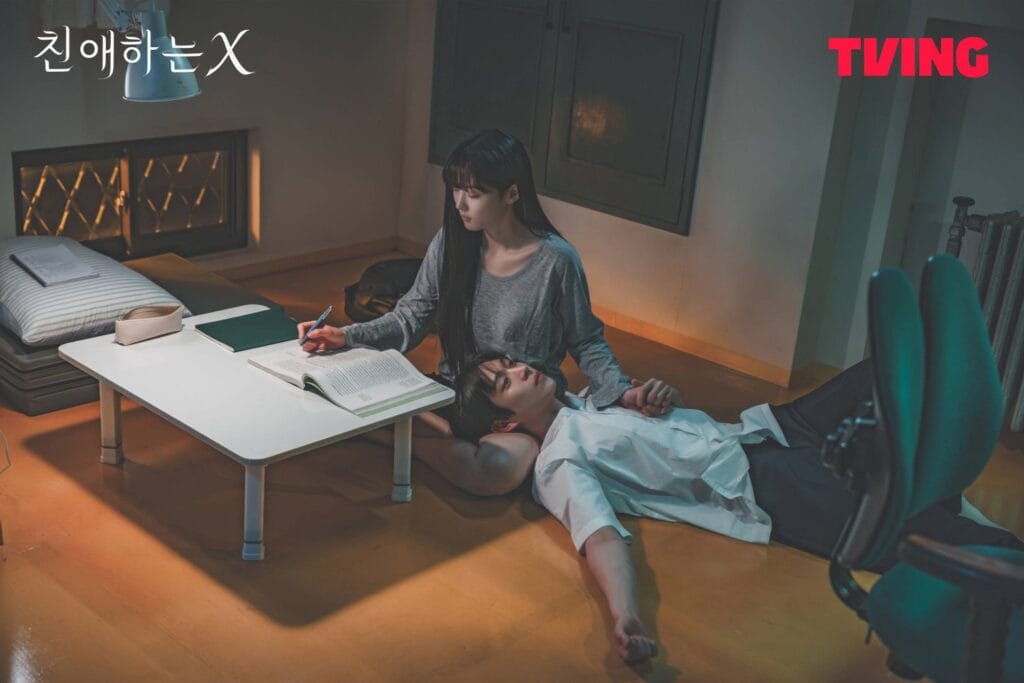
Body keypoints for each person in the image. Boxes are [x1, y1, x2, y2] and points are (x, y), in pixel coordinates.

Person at [452, 354, 1024, 663]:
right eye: (507, 381)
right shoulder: (559, 463)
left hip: (765, 431)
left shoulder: (588, 400)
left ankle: (941, 492)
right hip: (768, 484)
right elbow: (600, 535)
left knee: (892, 367)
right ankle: (984, 546)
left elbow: (666, 423)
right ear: (505, 423)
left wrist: (655, 402)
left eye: (513, 363)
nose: (523, 369)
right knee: (932, 538)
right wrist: (625, 619)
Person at [297, 130, 670, 495]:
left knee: (494, 472)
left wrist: (619, 392)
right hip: (454, 394)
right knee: (341, 390)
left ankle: (395, 438)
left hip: (517, 411)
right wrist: (346, 335)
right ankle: (405, 428)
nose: (460, 204)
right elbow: (411, 317)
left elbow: (587, 340)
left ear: (511, 193)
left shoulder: (556, 261)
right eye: (456, 190)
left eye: (473, 194)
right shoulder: (451, 243)